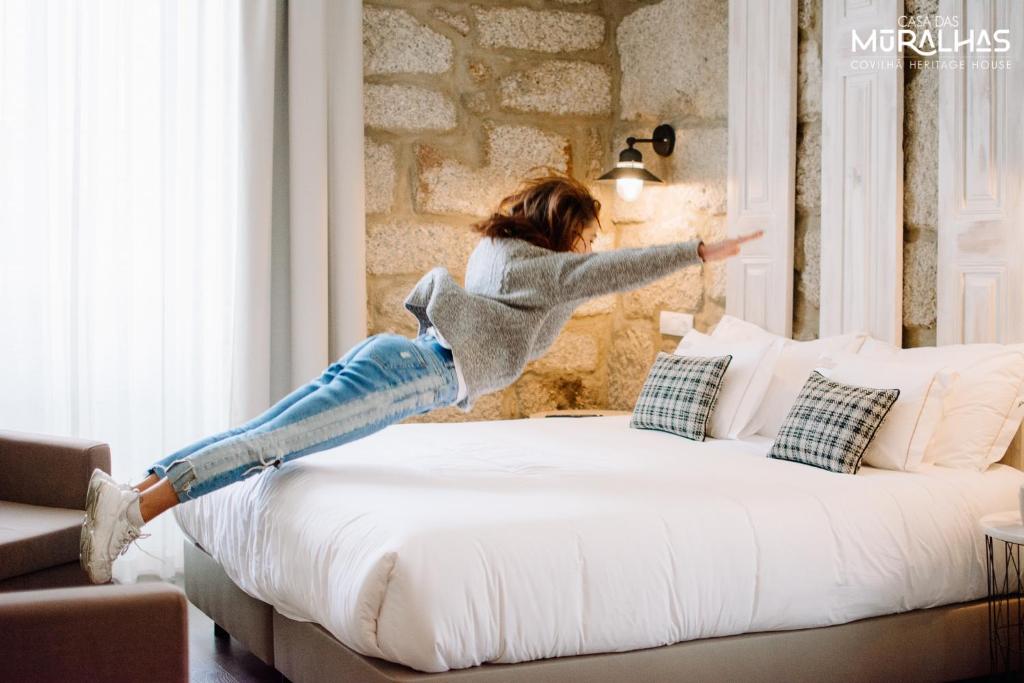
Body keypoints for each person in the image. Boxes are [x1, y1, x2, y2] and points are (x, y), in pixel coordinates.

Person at [79, 170, 762, 583]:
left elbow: (574, 278)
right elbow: (618, 271)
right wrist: (699, 249)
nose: (591, 249)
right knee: (268, 445)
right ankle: (136, 509)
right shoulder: (550, 270)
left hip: (398, 353)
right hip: (417, 372)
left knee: (262, 431)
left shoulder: (501, 251)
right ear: (564, 229)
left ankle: (131, 489)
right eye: (585, 234)